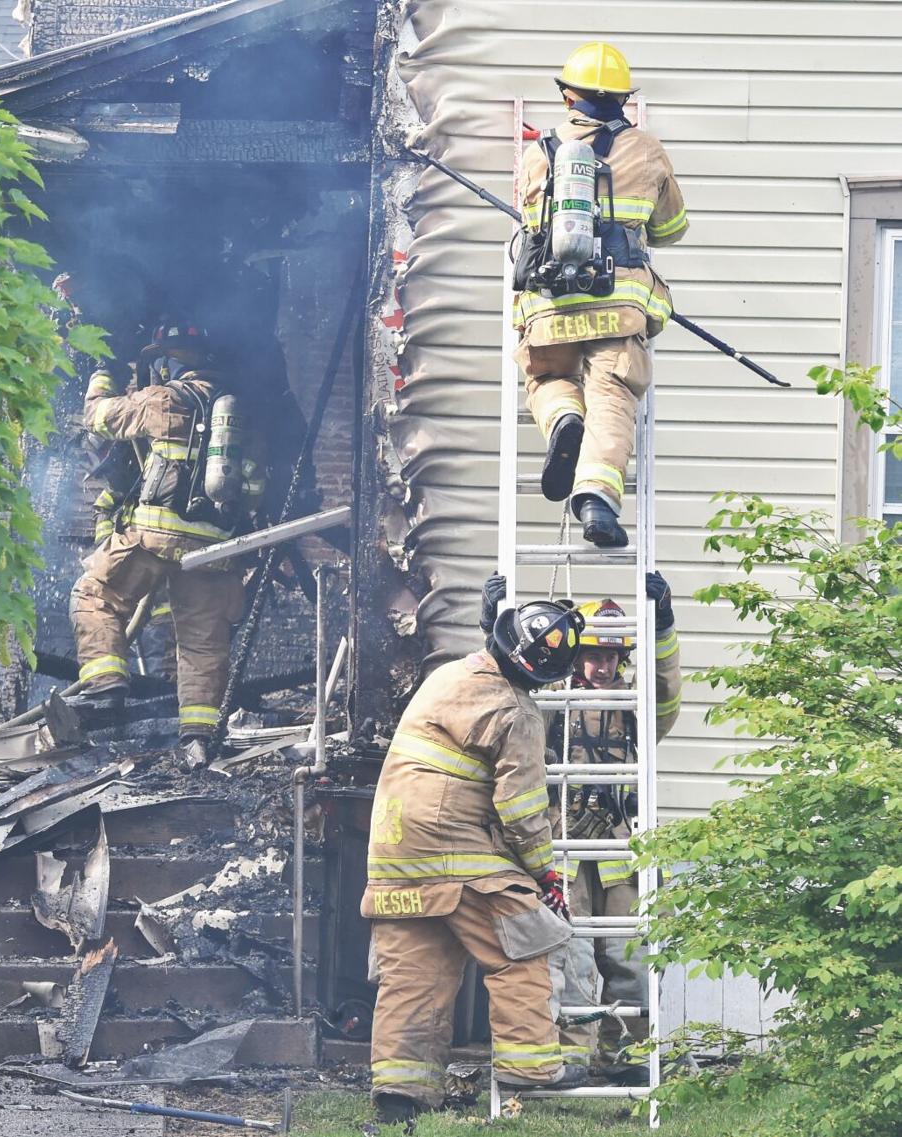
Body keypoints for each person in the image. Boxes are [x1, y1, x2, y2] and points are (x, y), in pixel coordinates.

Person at [363, 594, 590, 1123]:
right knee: (526, 944)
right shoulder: (517, 711)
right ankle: (530, 1065)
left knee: (416, 973)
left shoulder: (449, 675)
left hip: (393, 855)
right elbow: (522, 809)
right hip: (454, 850)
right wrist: (544, 874)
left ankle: (401, 1094)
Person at [512, 42, 689, 548]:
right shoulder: (647, 149)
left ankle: (564, 418)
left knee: (549, 378)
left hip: (550, 307)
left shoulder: (538, 153)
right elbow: (671, 229)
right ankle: (596, 500)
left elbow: (530, 227)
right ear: (623, 100)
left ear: (569, 96)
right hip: (617, 306)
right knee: (611, 396)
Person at [67, 321, 266, 767]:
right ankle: (198, 736)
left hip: (155, 537)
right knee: (203, 644)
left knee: (94, 595)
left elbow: (98, 417)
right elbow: (254, 491)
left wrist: (103, 372)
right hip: (217, 550)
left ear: (168, 363)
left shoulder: (164, 399)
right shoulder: (244, 416)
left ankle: (105, 687)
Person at [542, 572, 680, 1084]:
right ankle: (572, 1059)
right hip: (566, 851)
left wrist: (663, 627)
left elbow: (666, 694)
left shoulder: (637, 706)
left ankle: (625, 1056)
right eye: (593, 656)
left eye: (611, 658)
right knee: (571, 956)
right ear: (576, 655)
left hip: (623, 851)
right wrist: (496, 627)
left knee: (631, 957)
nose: (602, 667)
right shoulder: (552, 702)